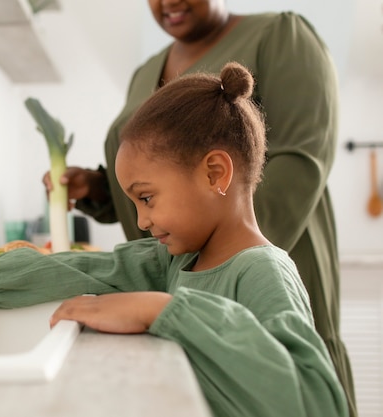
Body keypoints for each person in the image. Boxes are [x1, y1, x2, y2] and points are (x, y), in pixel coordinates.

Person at [0, 63, 348, 417]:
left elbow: (315, 402)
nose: (142, 220)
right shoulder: (177, 260)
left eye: (147, 198)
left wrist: (165, 310)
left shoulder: (264, 272)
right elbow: (91, 268)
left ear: (215, 173)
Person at [43, 2, 357, 415]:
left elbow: (301, 163)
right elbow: (163, 170)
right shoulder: (146, 70)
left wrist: (212, 281)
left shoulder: (281, 35)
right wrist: (100, 188)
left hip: (252, 273)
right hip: (173, 281)